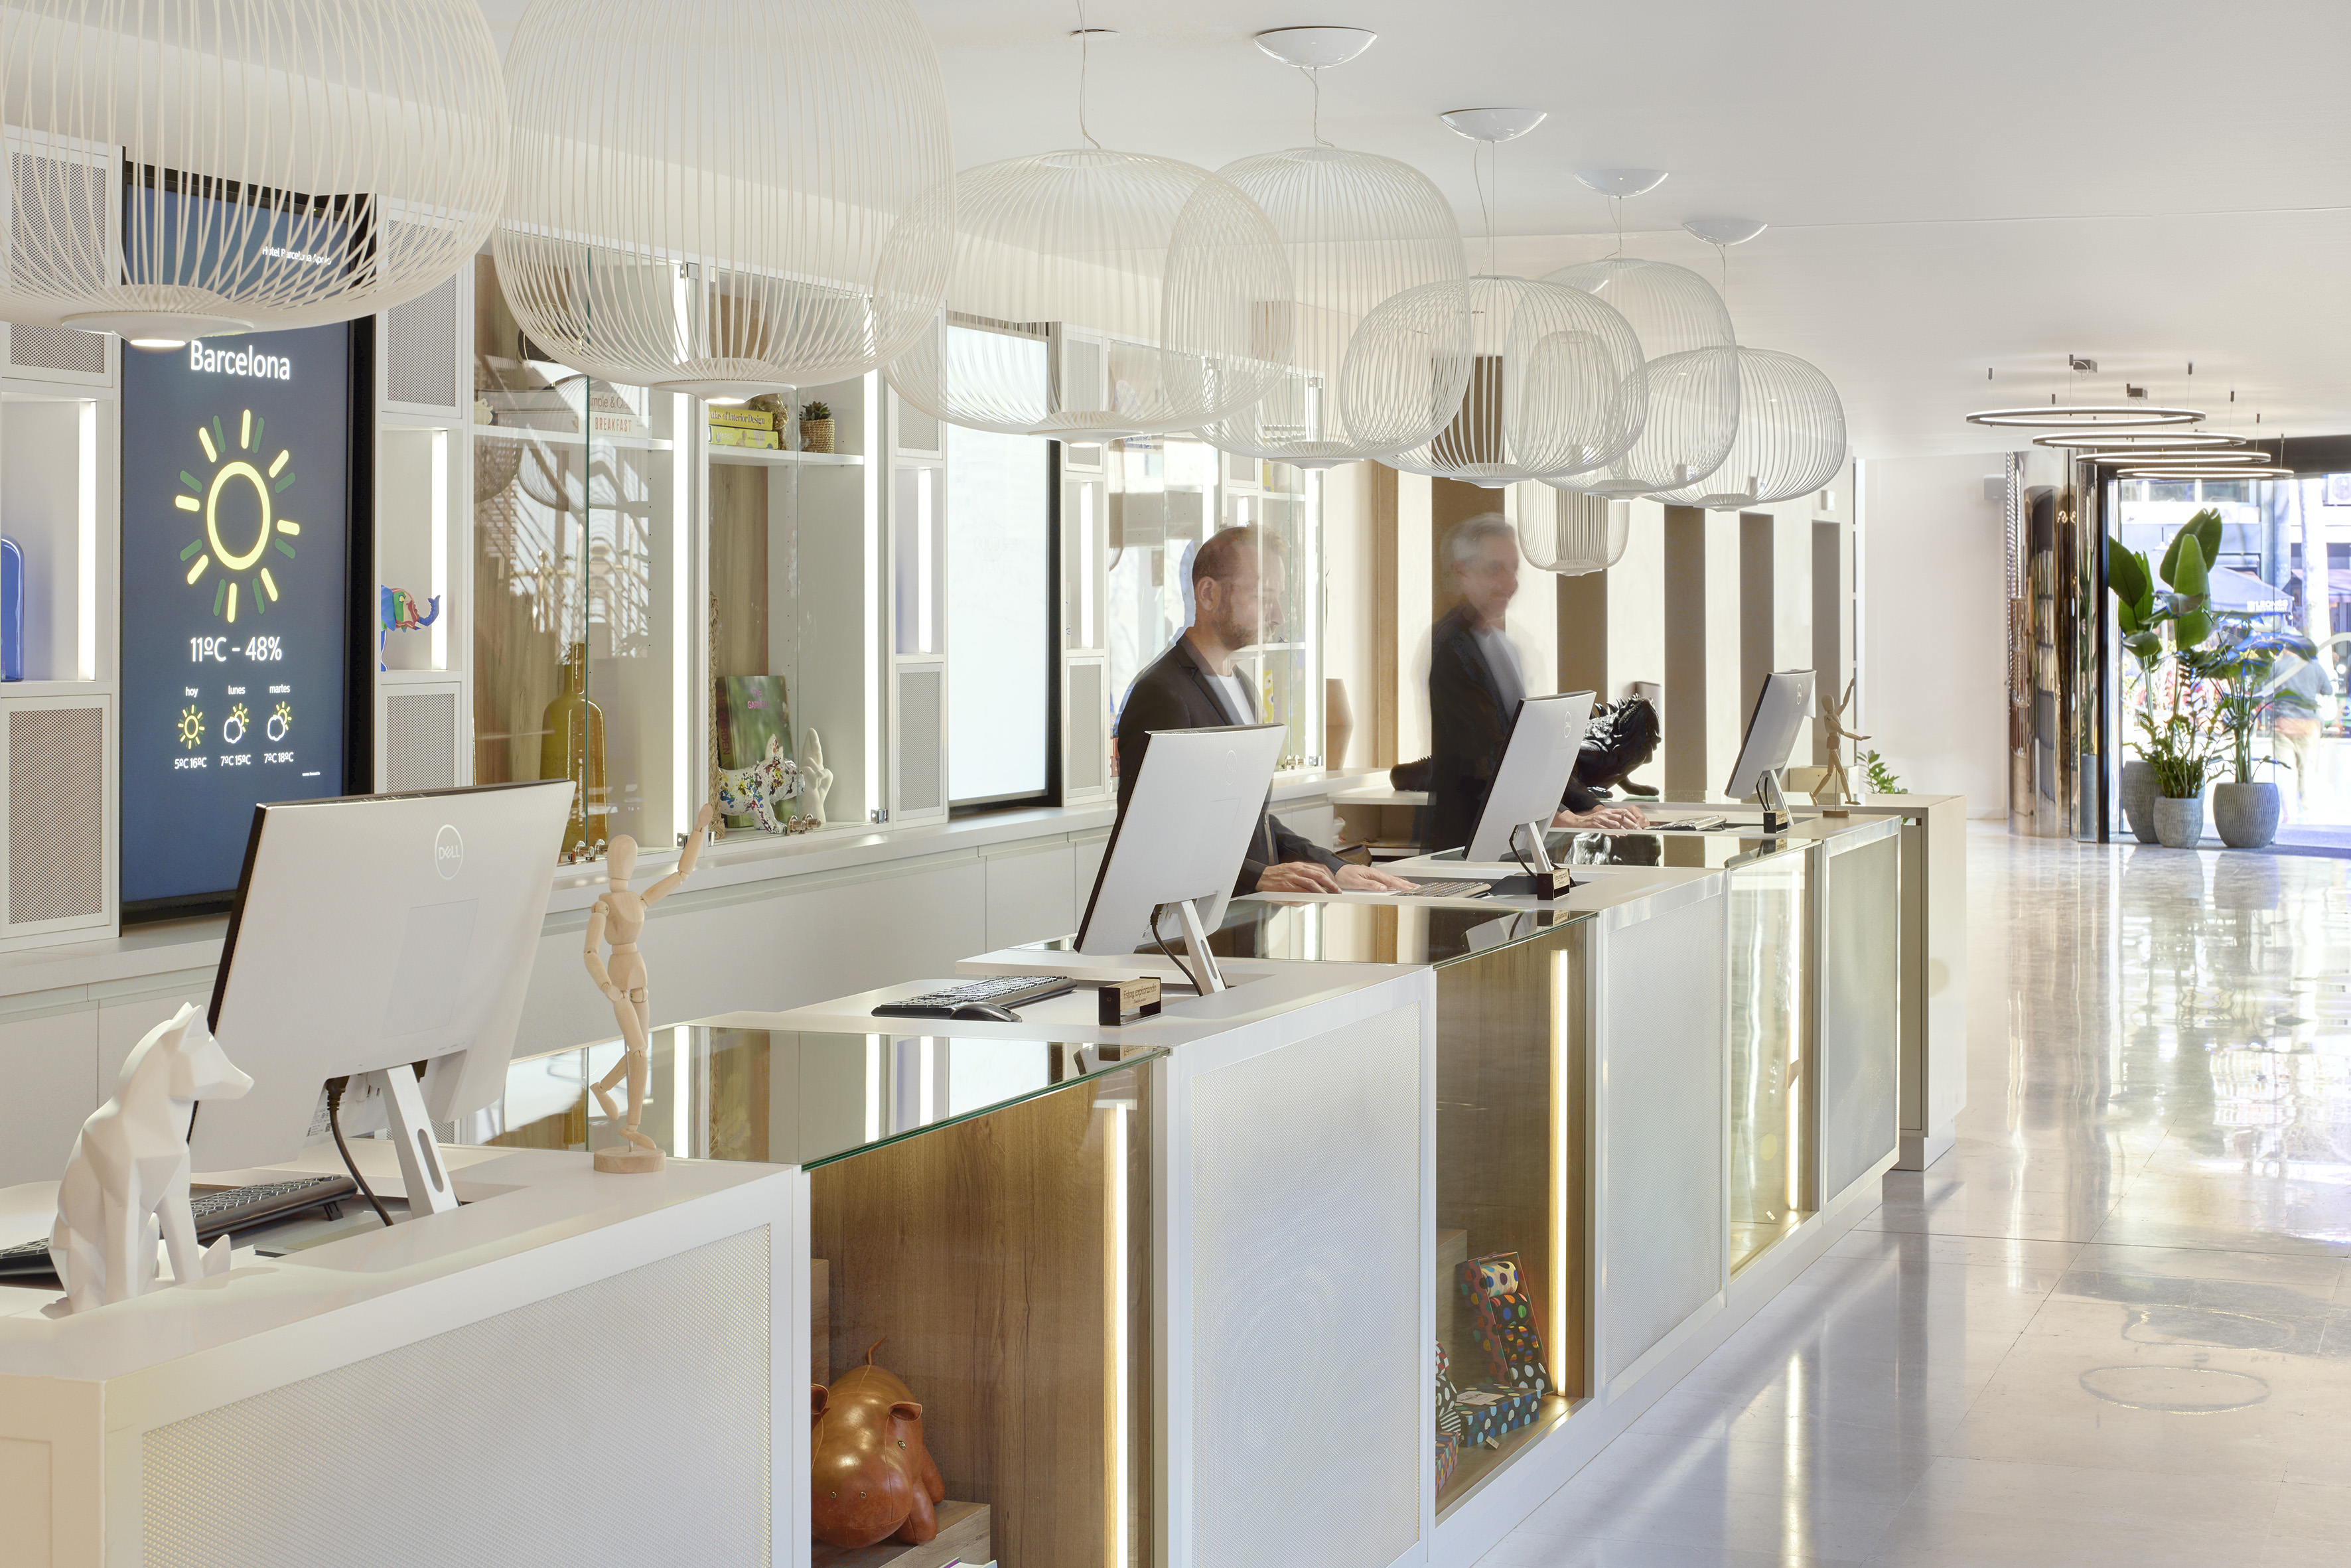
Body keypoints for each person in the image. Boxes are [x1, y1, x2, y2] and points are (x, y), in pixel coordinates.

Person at [1116, 525, 1415, 894]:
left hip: (1244, 924)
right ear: (1208, 594)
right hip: (1185, 936)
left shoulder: (1244, 689)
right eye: (1262, 596)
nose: (1278, 617)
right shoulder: (1160, 695)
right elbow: (1152, 837)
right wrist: (1254, 877)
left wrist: (1334, 867)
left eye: (1278, 599)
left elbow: (1253, 822)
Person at [1427, 515, 1646, 853]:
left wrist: (1597, 808)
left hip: (1508, 844)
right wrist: (1564, 818)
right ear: (1462, 572)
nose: (1510, 583)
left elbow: (1534, 755)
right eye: (1495, 569)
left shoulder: (1503, 646)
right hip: (1467, 846)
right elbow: (1489, 759)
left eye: (1513, 570)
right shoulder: (1451, 647)